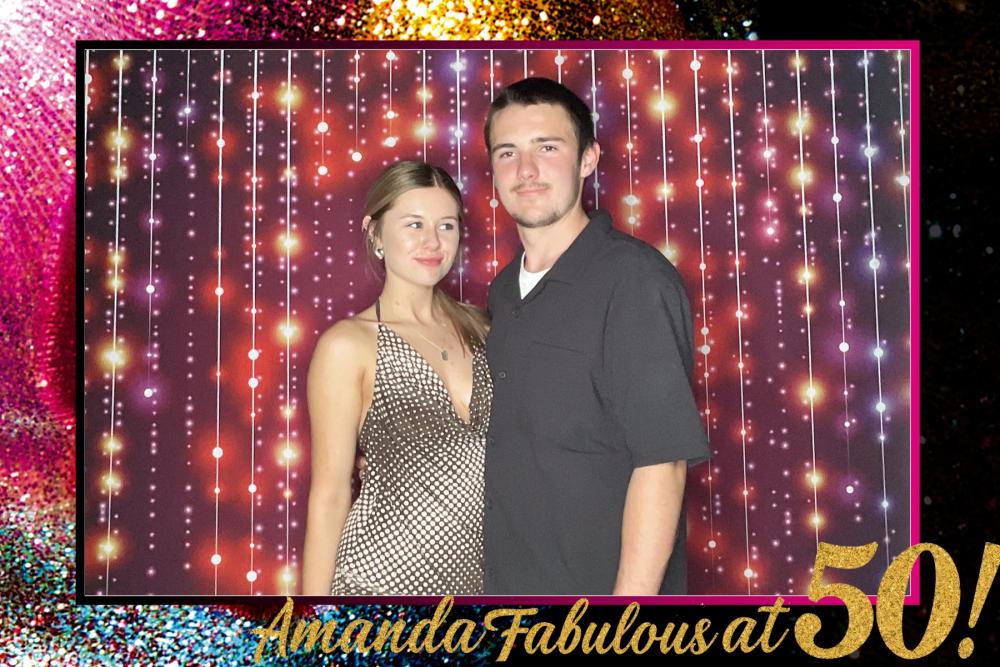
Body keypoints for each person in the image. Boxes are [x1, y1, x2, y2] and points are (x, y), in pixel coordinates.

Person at [483, 78, 710, 595]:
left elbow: (662, 462)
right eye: (507, 152)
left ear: (588, 159)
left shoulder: (634, 281)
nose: (526, 170)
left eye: (547, 147)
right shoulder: (503, 291)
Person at [301, 160, 491, 595]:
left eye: (446, 226)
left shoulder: (486, 331)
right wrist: (311, 621)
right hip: (377, 587)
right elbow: (330, 496)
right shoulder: (348, 345)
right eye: (414, 224)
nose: (432, 241)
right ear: (375, 233)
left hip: (478, 591)